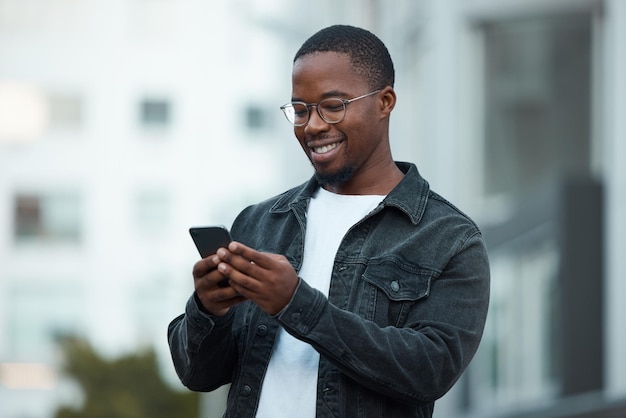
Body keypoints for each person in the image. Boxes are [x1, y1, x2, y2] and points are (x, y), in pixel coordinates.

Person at [168, 24, 490, 418]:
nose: (313, 126)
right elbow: (198, 375)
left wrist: (295, 303)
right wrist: (207, 308)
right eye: (300, 110)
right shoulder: (260, 222)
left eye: (333, 105)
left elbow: (429, 371)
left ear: (385, 102)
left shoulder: (449, 238)